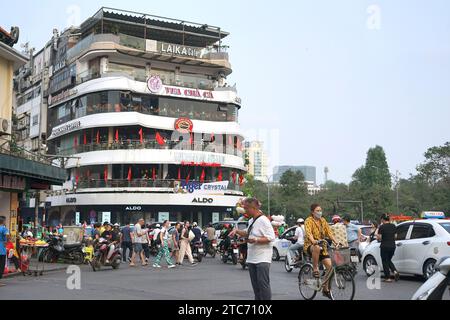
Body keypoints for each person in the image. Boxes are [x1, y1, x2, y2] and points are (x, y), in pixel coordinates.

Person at [234, 197, 275, 300]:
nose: (245, 210)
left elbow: (271, 237)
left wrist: (256, 240)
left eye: (246, 208)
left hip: (262, 259)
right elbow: (247, 233)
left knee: (263, 286)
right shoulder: (252, 220)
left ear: (253, 208)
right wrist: (237, 231)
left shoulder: (264, 220)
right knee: (256, 288)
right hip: (252, 258)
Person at [303, 204, 340, 300]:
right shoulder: (308, 220)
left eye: (320, 210)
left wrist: (336, 242)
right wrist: (313, 240)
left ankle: (325, 289)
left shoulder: (323, 221)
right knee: (317, 248)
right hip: (310, 246)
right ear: (312, 212)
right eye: (317, 210)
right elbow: (308, 233)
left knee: (330, 267)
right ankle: (315, 268)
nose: (319, 212)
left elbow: (329, 232)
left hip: (322, 246)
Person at [376, 214, 399, 282]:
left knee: (384, 261)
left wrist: (377, 235)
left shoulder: (382, 227)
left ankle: (388, 278)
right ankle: (395, 271)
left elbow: (379, 238)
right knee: (388, 260)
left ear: (383, 219)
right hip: (392, 246)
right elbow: (395, 236)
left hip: (384, 246)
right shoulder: (393, 226)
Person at [0, 216, 10, 286]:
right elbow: (7, 236)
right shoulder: (3, 228)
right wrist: (6, 242)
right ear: (3, 221)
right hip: (1, 249)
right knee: (1, 265)